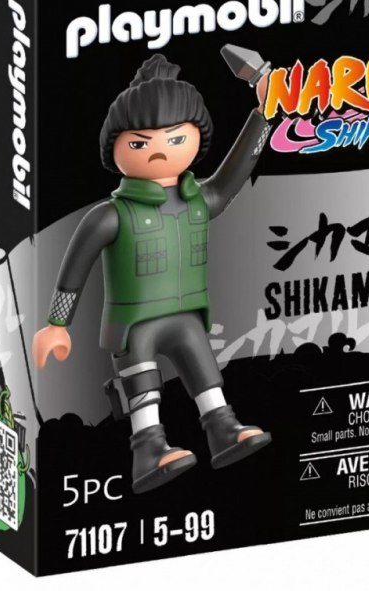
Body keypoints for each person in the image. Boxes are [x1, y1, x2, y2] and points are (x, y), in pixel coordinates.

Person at [32, 53, 272, 493]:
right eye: (141, 143)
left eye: (176, 137)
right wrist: (56, 324)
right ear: (116, 150)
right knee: (143, 386)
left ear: (196, 138)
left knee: (205, 373)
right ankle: (147, 449)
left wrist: (264, 115)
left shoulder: (199, 199)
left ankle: (222, 428)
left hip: (186, 316)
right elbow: (75, 264)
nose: (160, 149)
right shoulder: (112, 215)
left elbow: (235, 174)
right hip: (134, 323)